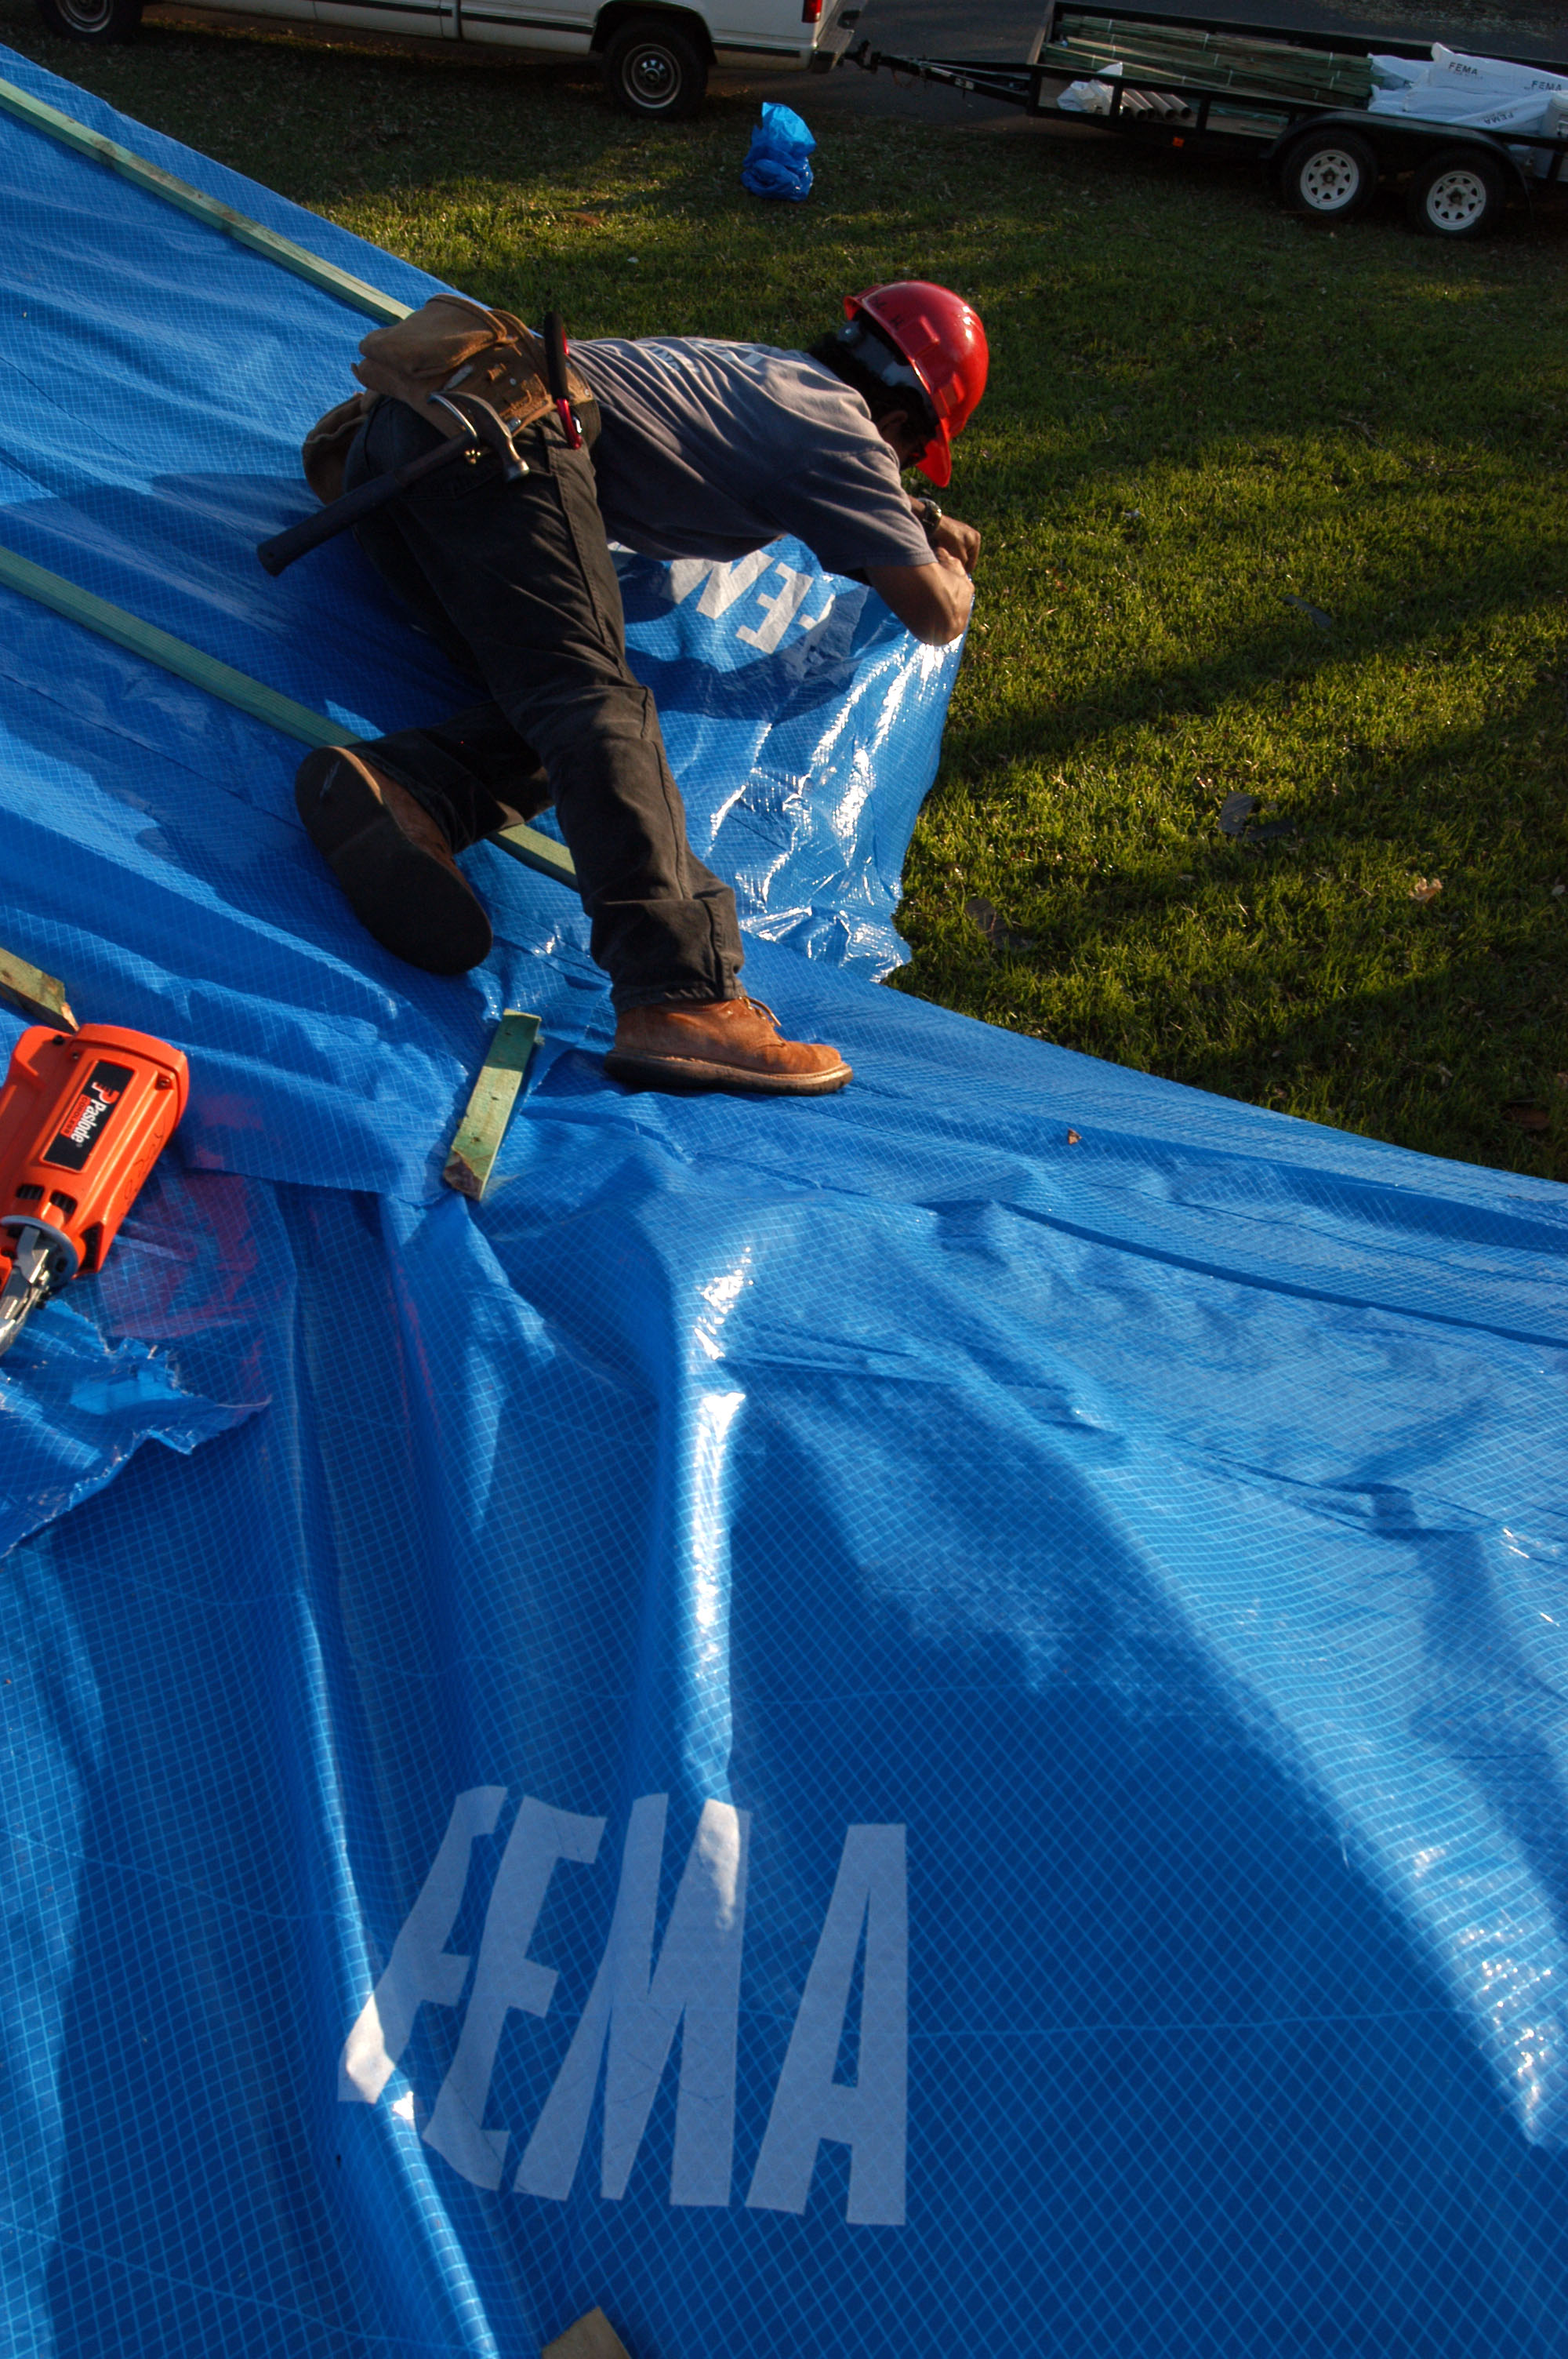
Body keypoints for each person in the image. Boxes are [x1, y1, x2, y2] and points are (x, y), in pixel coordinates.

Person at [295, 281, 987, 1096]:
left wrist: (907, 512)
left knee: (554, 705)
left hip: (410, 446)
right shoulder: (844, 432)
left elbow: (817, 487)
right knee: (602, 707)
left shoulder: (767, 376)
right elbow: (932, 614)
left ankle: (410, 789)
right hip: (504, 447)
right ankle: (681, 996)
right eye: (905, 452)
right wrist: (949, 568)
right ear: (900, 423)